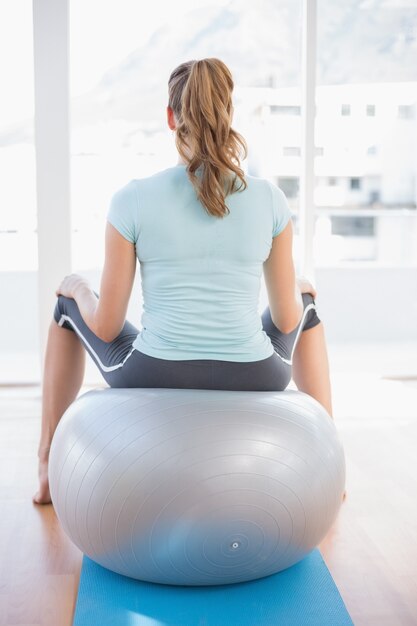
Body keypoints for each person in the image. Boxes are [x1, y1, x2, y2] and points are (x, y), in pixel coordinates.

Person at [33, 57, 333, 505]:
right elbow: (287, 318)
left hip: (156, 370)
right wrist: (299, 289)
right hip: (256, 374)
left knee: (65, 308)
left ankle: (45, 468)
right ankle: (330, 463)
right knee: (304, 301)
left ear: (171, 118)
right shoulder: (270, 199)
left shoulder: (131, 199)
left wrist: (76, 288)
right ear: (228, 113)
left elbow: (107, 328)